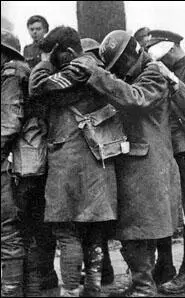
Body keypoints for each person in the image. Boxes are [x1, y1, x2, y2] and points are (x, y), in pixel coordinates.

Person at [71, 30, 182, 296]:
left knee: (140, 229)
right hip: (135, 163)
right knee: (132, 229)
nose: (119, 70)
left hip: (148, 164)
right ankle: (141, 282)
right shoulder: (136, 74)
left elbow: (135, 98)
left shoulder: (154, 74)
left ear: (132, 54)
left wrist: (98, 75)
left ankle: (144, 287)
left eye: (119, 63)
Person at [29, 25, 119, 297]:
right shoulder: (93, 66)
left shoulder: (79, 67)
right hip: (96, 159)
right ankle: (92, 291)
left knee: (67, 231)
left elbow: (37, 86)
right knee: (93, 232)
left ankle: (70, 292)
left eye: (54, 55)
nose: (49, 60)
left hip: (71, 159)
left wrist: (45, 60)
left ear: (67, 53)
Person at [145, 29, 185, 294]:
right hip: (170, 148)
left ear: (170, 50)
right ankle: (166, 265)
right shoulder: (175, 67)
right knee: (168, 207)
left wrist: (172, 80)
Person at [78, 37, 116, 287]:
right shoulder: (97, 79)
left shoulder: (100, 80)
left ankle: (103, 270)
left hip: (102, 155)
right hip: (98, 155)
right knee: (94, 220)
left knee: (96, 220)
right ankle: (103, 269)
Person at [1, 28, 31, 297]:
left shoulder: (11, 74)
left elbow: (9, 123)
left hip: (9, 162)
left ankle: (11, 291)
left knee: (8, 230)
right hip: (15, 159)